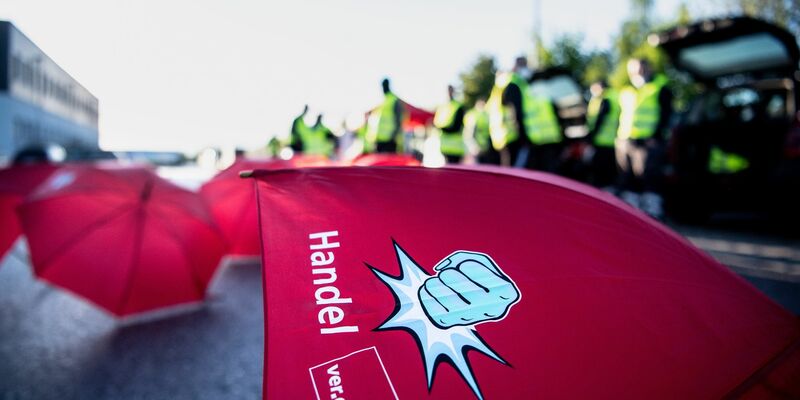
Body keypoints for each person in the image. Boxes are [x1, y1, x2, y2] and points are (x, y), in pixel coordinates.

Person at [616, 58, 672, 219]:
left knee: (649, 176)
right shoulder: (627, 91)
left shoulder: (659, 88)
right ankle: (631, 211)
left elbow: (666, 114)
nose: (637, 74)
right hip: (626, 139)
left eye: (640, 69)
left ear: (648, 68)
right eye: (633, 71)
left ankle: (652, 211)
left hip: (649, 141)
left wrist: (656, 136)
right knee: (628, 177)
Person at [585, 80, 620, 189]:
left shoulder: (606, 100)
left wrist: (591, 138)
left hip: (602, 141)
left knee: (601, 171)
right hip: (609, 140)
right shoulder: (612, 97)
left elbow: (600, 120)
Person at [366, 78, 404, 153]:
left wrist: (394, 136)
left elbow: (399, 120)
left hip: (390, 140)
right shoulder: (381, 100)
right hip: (378, 140)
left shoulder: (394, 100)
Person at [433, 85, 466, 164]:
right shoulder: (441, 107)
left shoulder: (458, 107)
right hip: (443, 147)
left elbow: (457, 127)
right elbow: (435, 124)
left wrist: (441, 128)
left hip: (455, 149)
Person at [463, 99, 496, 164]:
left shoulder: (486, 115)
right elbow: (468, 134)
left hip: (485, 148)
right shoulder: (473, 116)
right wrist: (474, 147)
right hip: (476, 150)